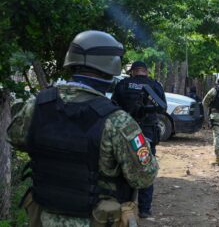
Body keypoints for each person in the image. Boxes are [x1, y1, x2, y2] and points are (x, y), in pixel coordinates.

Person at [6, 30, 159, 227]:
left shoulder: (36, 106)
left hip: (42, 217)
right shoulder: (117, 121)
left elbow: (15, 138)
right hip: (95, 219)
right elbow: (144, 177)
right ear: (110, 65)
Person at [112, 61, 166, 218]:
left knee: (123, 166)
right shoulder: (155, 85)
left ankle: (123, 206)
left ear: (133, 71)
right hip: (147, 132)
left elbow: (113, 106)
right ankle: (144, 209)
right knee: (146, 165)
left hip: (126, 131)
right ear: (146, 71)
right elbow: (163, 107)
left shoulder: (123, 84)